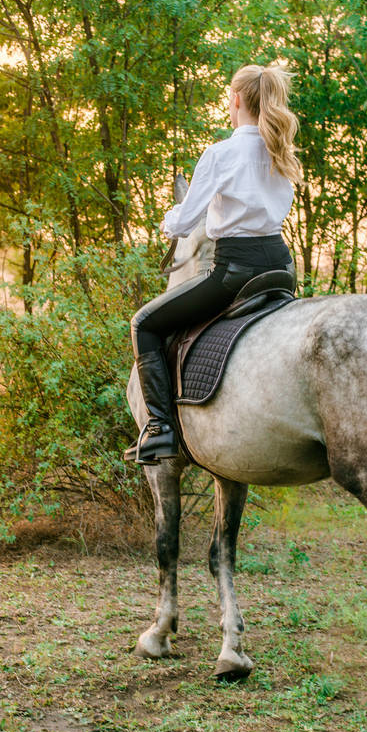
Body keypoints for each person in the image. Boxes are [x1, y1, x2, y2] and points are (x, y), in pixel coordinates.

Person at [126, 63, 301, 465]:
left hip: (235, 271)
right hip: (279, 265)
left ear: (236, 99)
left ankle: (159, 428)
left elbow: (187, 222)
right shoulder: (280, 149)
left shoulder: (220, 154)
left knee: (145, 324)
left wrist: (168, 219)